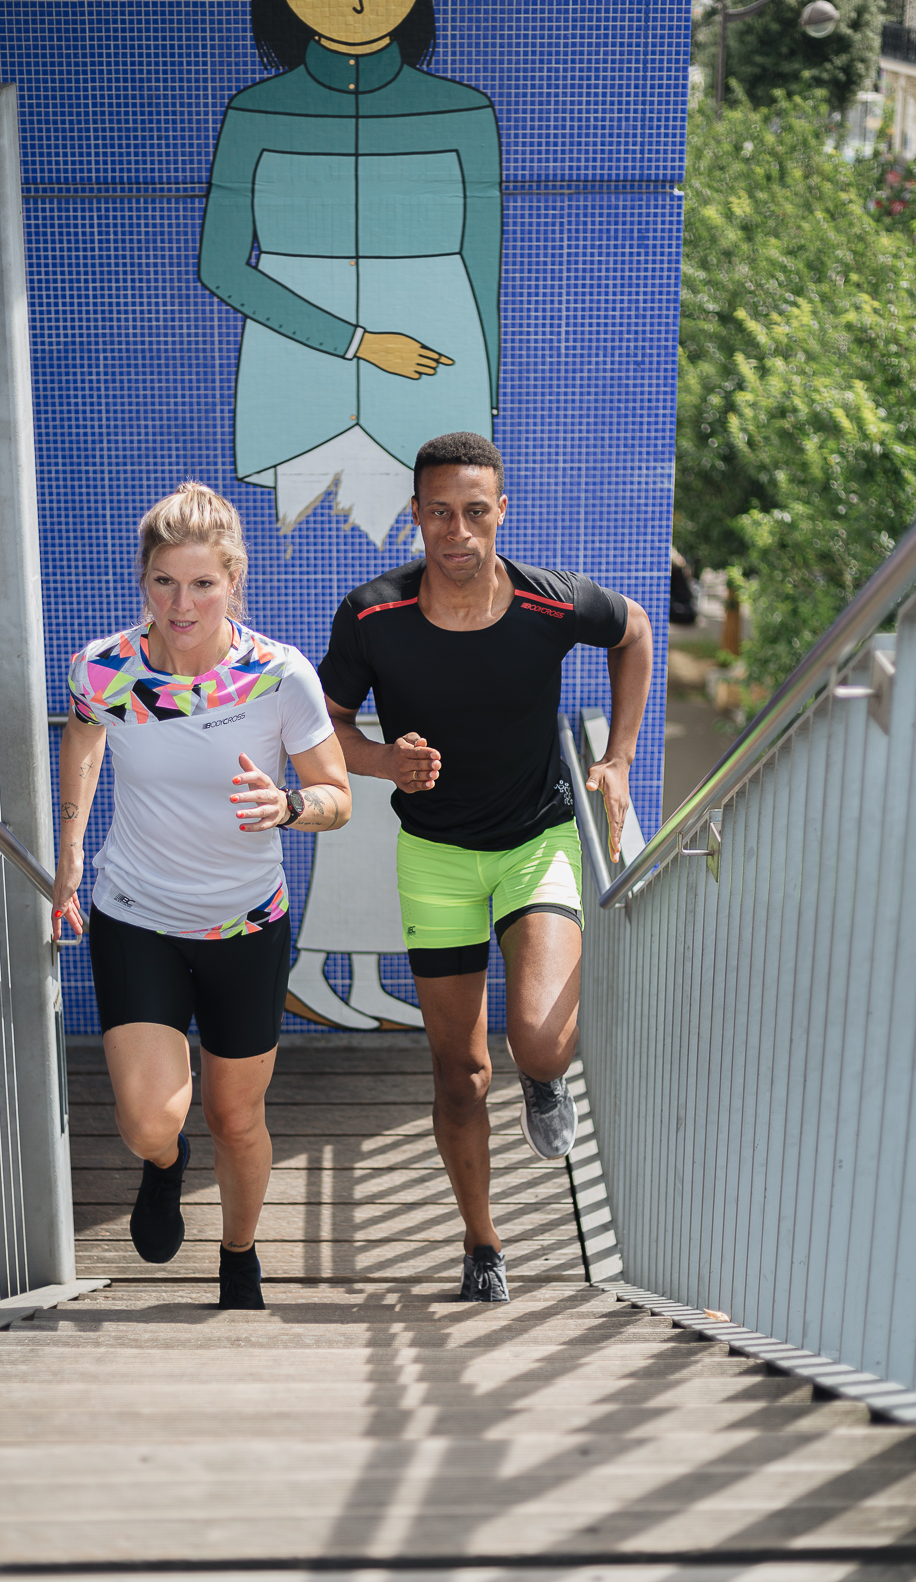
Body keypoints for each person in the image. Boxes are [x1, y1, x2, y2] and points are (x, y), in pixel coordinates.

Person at [319, 432, 652, 1302]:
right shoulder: (372, 615)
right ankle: (482, 1243)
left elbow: (635, 632)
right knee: (460, 1075)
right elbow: (324, 729)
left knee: (536, 1037)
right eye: (439, 512)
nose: (457, 531)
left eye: (474, 512)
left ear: (501, 511)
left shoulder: (549, 602)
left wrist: (618, 758)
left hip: (535, 843)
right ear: (416, 515)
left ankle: (543, 1079)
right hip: (434, 859)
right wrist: (384, 762)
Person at [52, 482, 351, 1310]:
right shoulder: (104, 668)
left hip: (247, 927)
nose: (181, 605)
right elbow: (83, 734)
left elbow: (337, 798)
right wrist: (70, 849)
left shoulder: (277, 675)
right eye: (164, 582)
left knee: (235, 1119)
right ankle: (164, 1164)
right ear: (143, 579)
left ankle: (239, 1256)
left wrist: (288, 805)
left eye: (202, 584)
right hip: (136, 915)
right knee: (151, 1122)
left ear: (233, 581)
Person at [198, 0, 501, 549]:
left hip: (433, 383)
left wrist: (480, 403)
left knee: (437, 559)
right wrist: (357, 343)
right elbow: (221, 266)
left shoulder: (462, 110)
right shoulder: (257, 110)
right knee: (290, 553)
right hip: (299, 389)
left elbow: (481, 270)